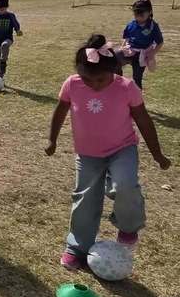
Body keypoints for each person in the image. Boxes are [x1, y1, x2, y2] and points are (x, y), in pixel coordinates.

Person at [45, 33, 170, 270]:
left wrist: (157, 154)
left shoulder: (127, 88)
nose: (93, 84)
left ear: (113, 70)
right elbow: (60, 110)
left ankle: (128, 227)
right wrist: (52, 139)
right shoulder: (72, 84)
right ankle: (77, 248)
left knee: (124, 185)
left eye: (100, 80)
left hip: (122, 148)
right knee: (84, 200)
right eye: (87, 79)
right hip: (88, 154)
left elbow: (144, 121)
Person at [117, 0, 164, 89]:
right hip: (130, 50)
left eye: (141, 15)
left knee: (137, 77)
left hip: (142, 54)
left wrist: (152, 53)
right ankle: (118, 84)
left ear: (149, 12)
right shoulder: (131, 24)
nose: (138, 18)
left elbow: (160, 42)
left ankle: (137, 97)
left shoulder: (153, 26)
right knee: (115, 58)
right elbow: (126, 37)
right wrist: (122, 47)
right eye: (136, 15)